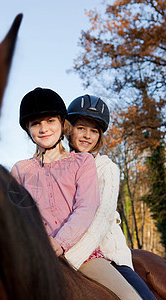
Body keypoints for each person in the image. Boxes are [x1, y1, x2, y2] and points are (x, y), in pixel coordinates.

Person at [11, 87, 143, 300]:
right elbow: (16, 217)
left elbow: (86, 207)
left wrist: (60, 242)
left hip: (85, 257)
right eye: (36, 123)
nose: (44, 129)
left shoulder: (83, 162)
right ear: (27, 129)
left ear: (62, 124)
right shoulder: (20, 170)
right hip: (37, 255)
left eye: (50, 121)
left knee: (131, 297)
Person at [65, 94, 157, 300]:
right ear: (69, 130)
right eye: (81, 128)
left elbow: (102, 217)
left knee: (143, 298)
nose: (87, 135)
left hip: (107, 254)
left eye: (94, 131)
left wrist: (74, 256)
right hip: (66, 247)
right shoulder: (60, 166)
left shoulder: (106, 168)